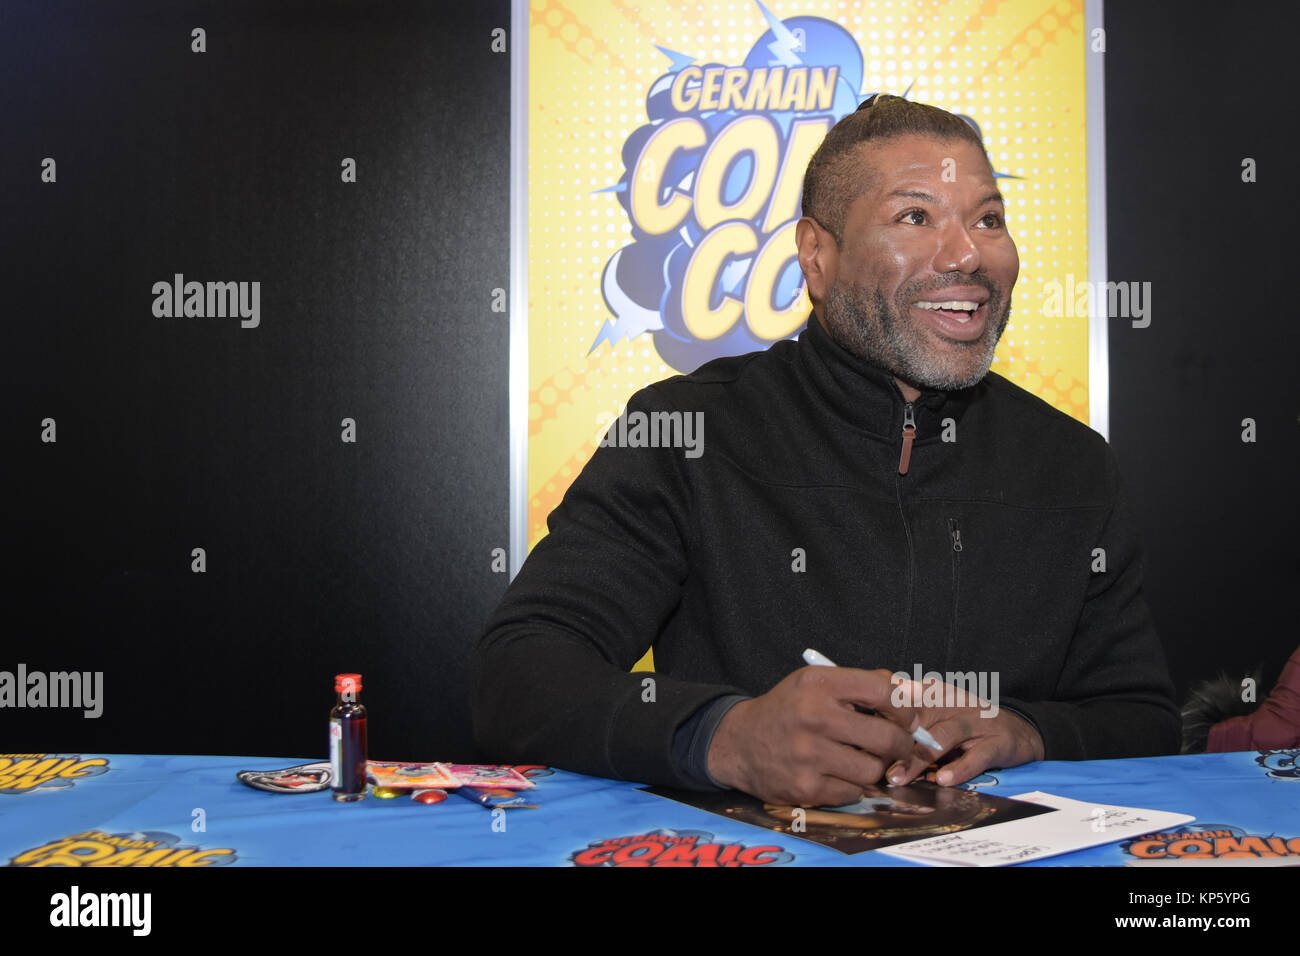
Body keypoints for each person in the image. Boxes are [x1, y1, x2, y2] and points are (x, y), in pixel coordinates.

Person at [472, 95, 1181, 807]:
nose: (968, 253)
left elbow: (1142, 720)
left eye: (988, 219)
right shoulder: (684, 432)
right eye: (916, 216)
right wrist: (726, 736)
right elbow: (519, 676)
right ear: (816, 254)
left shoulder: (1073, 463)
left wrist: (1029, 729)